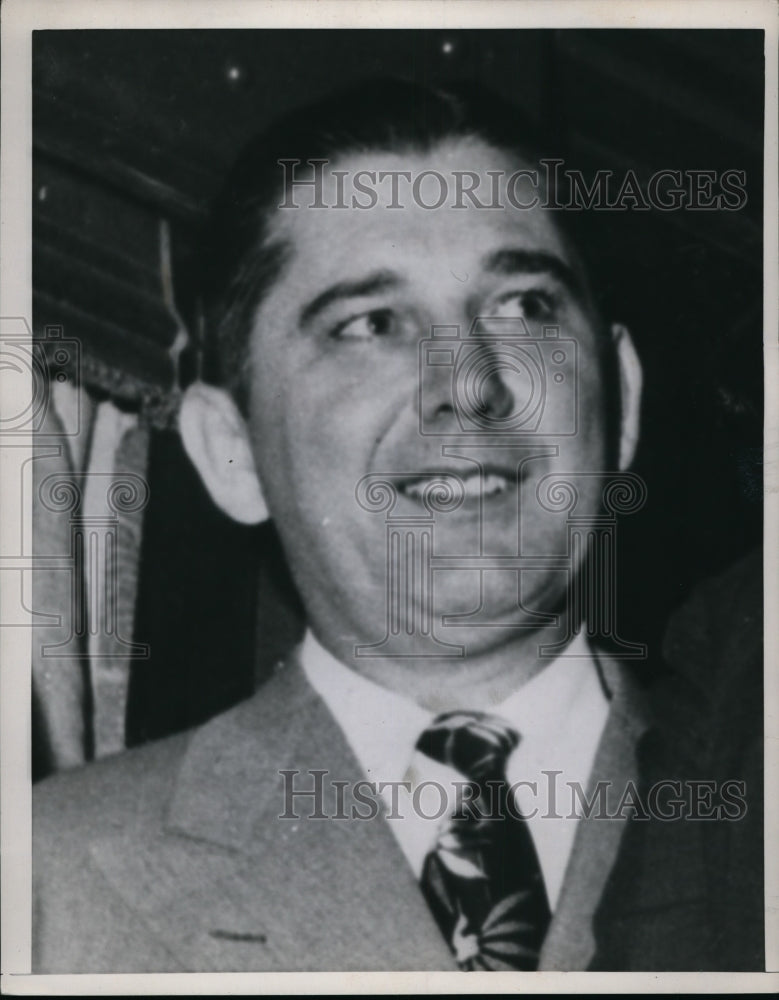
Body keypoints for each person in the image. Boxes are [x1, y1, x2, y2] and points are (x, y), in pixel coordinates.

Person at [33, 77, 699, 973]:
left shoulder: (743, 793)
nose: (466, 381)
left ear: (619, 403)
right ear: (232, 452)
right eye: (371, 324)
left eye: (523, 307)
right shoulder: (48, 880)